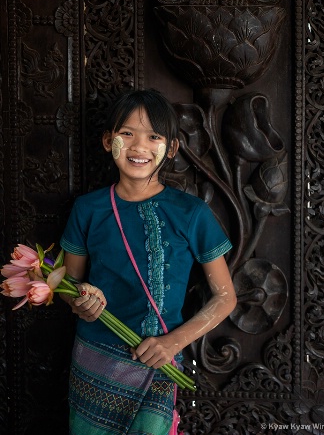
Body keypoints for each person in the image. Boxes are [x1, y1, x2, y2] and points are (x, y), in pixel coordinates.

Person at [60, 88, 237, 435]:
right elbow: (66, 285)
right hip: (96, 359)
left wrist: (171, 343)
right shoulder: (87, 209)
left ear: (170, 148)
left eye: (153, 136)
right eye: (127, 133)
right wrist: (81, 298)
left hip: (157, 362)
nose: (139, 147)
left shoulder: (193, 213)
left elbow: (225, 297)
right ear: (108, 140)